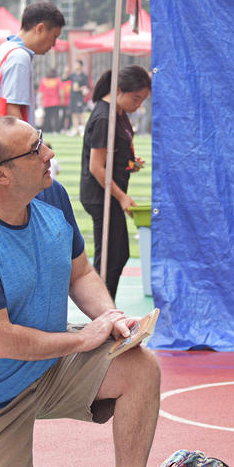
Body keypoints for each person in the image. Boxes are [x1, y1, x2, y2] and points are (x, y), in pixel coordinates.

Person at [0, 115, 160, 467]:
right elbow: (0, 341)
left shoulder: (51, 196)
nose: (49, 153)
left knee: (140, 367)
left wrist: (111, 319)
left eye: (42, 141)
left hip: (48, 364)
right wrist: (83, 340)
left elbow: (80, 273)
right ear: (2, 175)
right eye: (35, 150)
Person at [79, 65, 151, 300]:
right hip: (101, 197)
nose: (138, 105)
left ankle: (107, 307)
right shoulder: (104, 117)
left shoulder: (118, 113)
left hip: (110, 193)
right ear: (119, 90)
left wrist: (129, 163)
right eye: (136, 98)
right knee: (109, 259)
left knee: (119, 255)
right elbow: (96, 166)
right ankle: (102, 311)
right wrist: (122, 197)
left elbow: (114, 152)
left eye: (142, 101)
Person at [0, 1, 66, 122]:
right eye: (54, 37)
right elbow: (12, 112)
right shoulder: (19, 57)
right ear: (40, 29)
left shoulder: (4, 49)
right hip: (7, 132)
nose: (53, 44)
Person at [64, 60, 91, 135]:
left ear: (81, 66)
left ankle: (86, 130)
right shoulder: (73, 75)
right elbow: (64, 79)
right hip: (73, 97)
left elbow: (87, 87)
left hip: (79, 97)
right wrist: (66, 72)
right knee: (73, 113)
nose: (75, 66)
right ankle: (76, 129)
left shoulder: (84, 76)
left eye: (77, 64)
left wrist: (79, 89)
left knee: (80, 113)